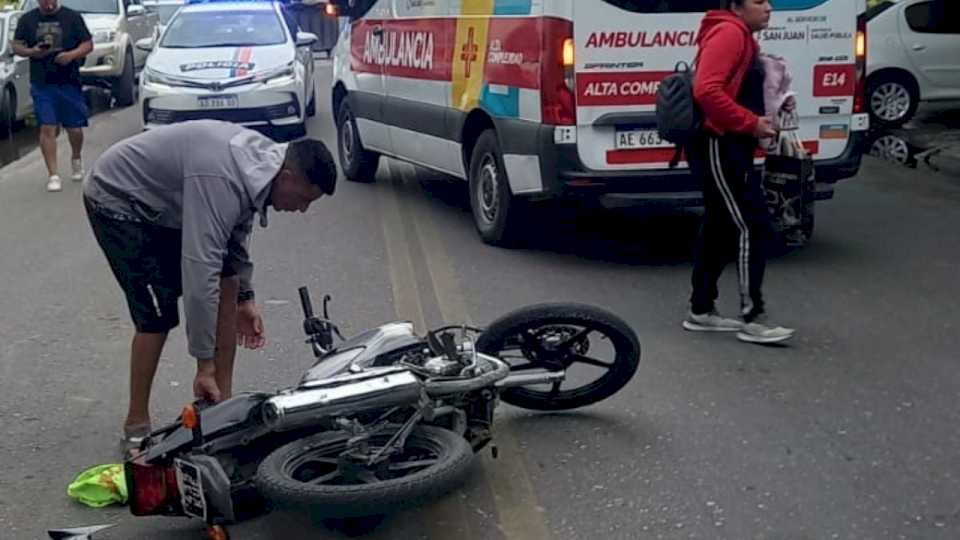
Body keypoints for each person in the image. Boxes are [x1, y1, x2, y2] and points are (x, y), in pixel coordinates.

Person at [82, 120, 337, 455]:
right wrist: (203, 362)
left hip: (167, 202)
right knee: (157, 316)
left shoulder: (264, 166)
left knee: (228, 284)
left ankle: (219, 407)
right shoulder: (223, 179)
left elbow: (236, 235)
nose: (302, 209)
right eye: (304, 199)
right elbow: (199, 272)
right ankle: (136, 426)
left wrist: (246, 298)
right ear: (288, 178)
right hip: (118, 199)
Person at [681, 0, 795, 345]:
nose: (769, 7)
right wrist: (750, 123)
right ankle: (753, 316)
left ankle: (701, 309)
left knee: (719, 223)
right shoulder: (729, 32)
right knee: (752, 223)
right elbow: (706, 89)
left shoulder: (740, 33)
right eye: (759, 1)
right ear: (736, 6)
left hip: (729, 142)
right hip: (718, 142)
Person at [12, 0, 93, 193]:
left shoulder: (72, 17)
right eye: (43, 1)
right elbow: (16, 46)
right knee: (48, 126)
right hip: (42, 83)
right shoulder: (27, 20)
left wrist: (71, 55)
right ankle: (53, 175)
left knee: (74, 128)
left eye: (50, 1)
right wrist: (32, 52)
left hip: (69, 81)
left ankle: (76, 158)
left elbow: (88, 44)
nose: (47, 4)